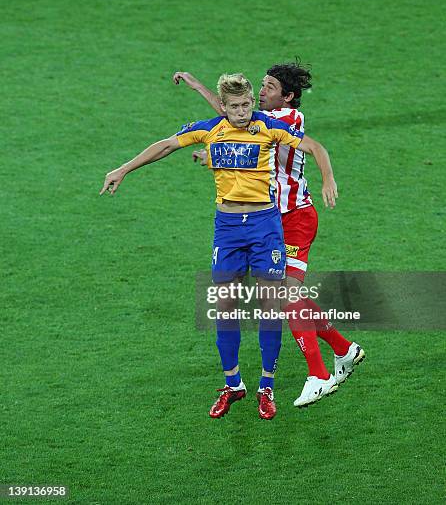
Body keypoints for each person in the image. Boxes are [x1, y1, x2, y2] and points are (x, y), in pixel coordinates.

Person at [101, 73, 322, 420]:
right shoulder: (210, 129)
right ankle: (233, 384)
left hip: (265, 227)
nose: (242, 112)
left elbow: (313, 146)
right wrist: (124, 169)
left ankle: (267, 387)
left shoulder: (267, 126)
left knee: (269, 307)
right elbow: (166, 145)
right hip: (229, 229)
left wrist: (330, 177)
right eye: (234, 107)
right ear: (223, 107)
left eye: (247, 104)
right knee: (226, 308)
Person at [173, 62, 365, 407]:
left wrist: (329, 179)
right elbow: (231, 119)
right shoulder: (260, 119)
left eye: (269, 87)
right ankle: (343, 348)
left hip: (294, 218)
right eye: (261, 85)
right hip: (275, 219)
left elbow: (240, 117)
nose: (261, 93)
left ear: (288, 97)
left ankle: (319, 375)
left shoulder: (287, 120)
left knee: (285, 297)